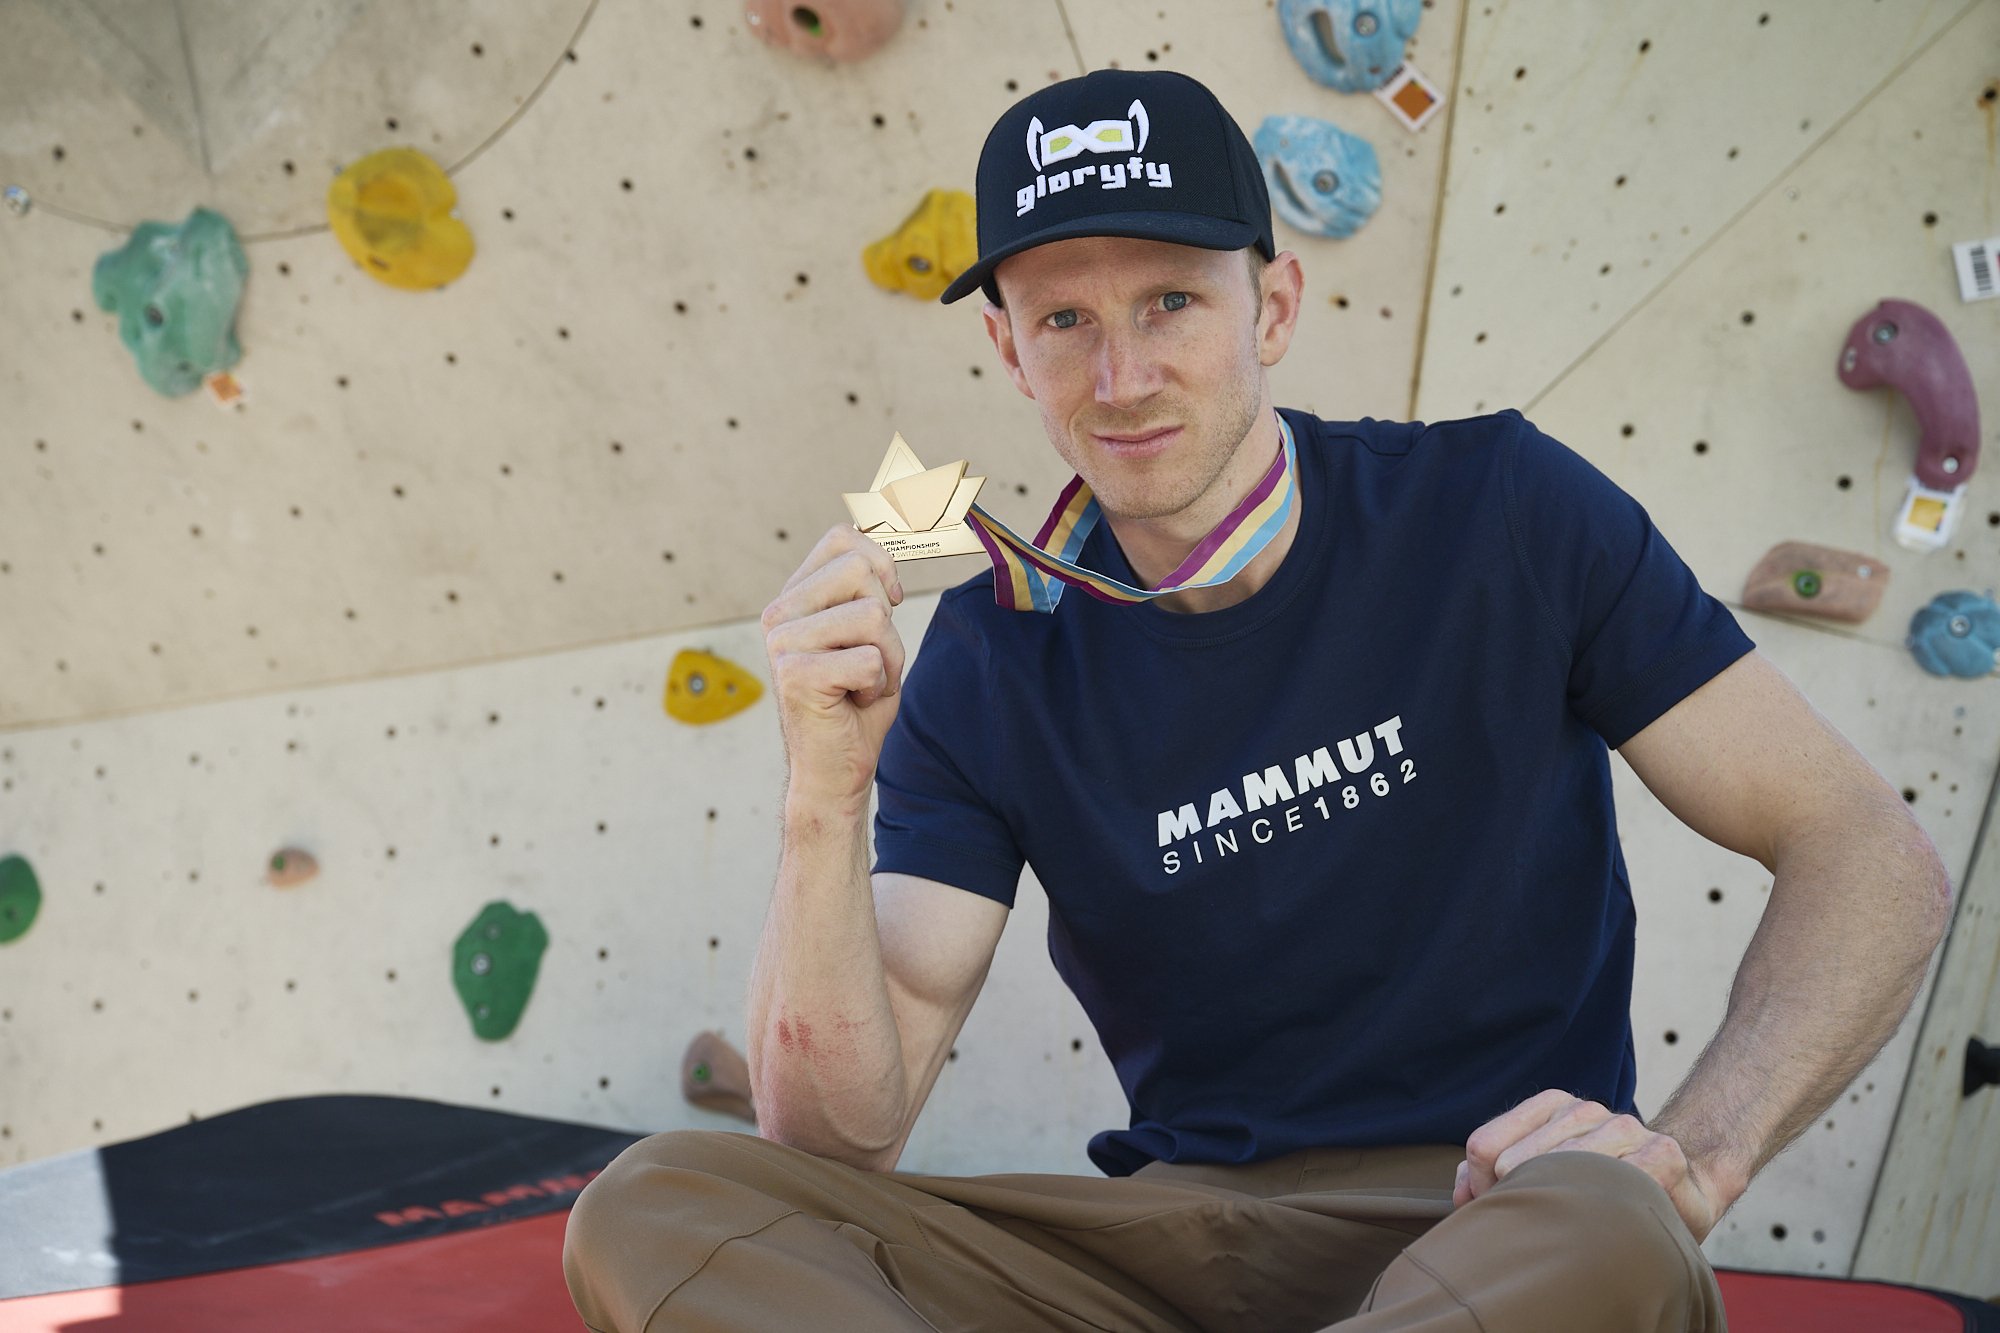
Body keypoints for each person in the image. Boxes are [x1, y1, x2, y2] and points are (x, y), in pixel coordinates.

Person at [564, 68, 1952, 1332]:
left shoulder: (1498, 509)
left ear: (1271, 306)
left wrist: (1693, 1159)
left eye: (1171, 299)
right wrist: (822, 793)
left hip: (1486, 1216)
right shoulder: (993, 648)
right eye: (1066, 320)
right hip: (1173, 1240)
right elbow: (841, 1142)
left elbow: (1863, 847)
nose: (1123, 377)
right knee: (661, 1202)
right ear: (1008, 351)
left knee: (1613, 1232)